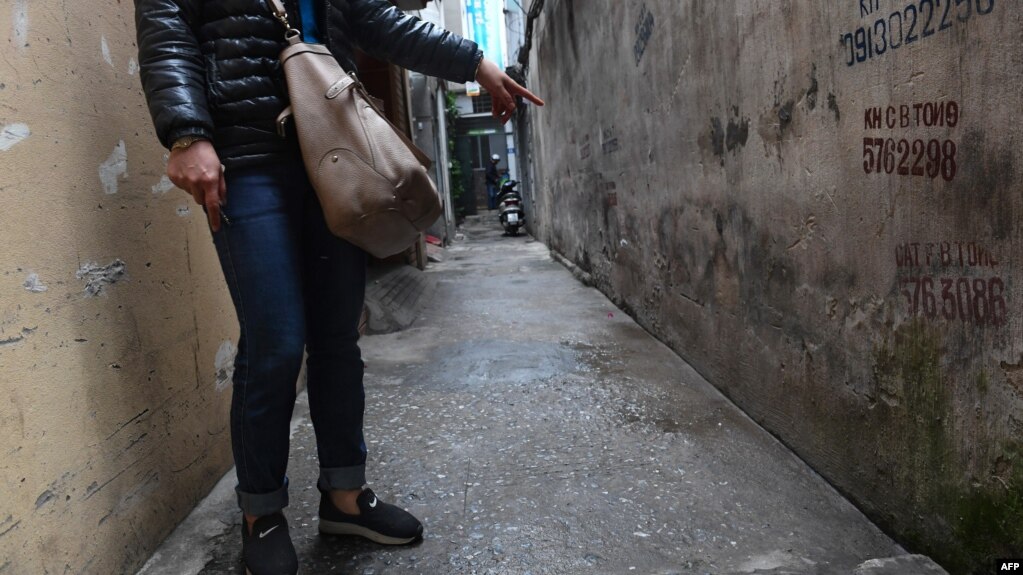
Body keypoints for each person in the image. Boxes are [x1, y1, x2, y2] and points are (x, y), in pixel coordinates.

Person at [134, 1, 544, 573]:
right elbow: (166, 26)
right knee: (275, 342)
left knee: (336, 337)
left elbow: (378, 20)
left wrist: (474, 61)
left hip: (336, 152)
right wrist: (185, 132)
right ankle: (261, 513)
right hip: (246, 157)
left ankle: (345, 497)